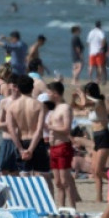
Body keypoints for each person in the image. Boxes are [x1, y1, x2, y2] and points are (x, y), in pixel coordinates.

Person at [73, 82, 109, 202]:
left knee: (99, 170)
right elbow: (79, 106)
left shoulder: (99, 102)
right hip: (97, 137)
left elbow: (85, 103)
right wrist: (75, 98)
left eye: (87, 93)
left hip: (105, 136)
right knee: (95, 171)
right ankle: (99, 198)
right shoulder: (92, 105)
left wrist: (81, 94)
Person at [46, 81, 78, 209]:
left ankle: (72, 208)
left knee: (65, 181)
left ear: (55, 94)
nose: (47, 94)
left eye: (49, 92)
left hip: (63, 146)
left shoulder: (65, 108)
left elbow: (66, 129)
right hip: (53, 147)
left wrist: (50, 127)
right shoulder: (54, 109)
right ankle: (61, 208)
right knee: (58, 182)